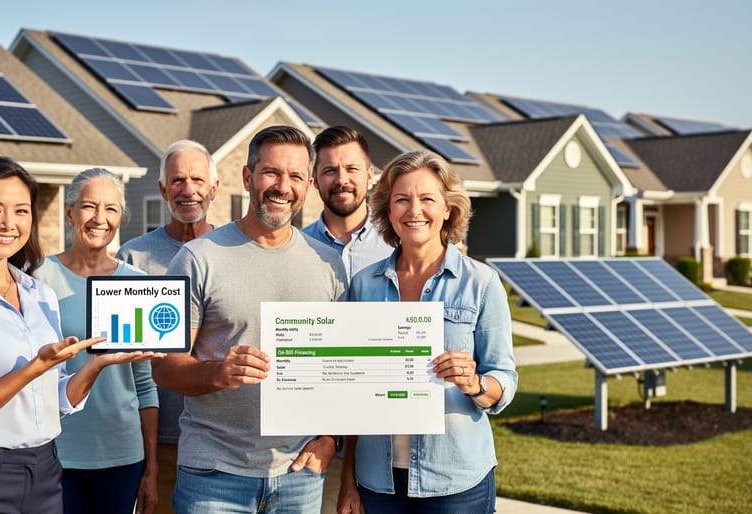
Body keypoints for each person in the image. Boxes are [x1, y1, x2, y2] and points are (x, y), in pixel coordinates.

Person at [0, 157, 160, 514]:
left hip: (44, 472)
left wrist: (97, 364)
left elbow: (55, 400)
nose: (9, 223)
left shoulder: (37, 293)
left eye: (21, 211)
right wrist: (35, 366)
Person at [153, 125, 348, 513]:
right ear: (248, 176)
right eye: (271, 173)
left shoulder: (329, 264)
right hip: (214, 474)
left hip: (299, 476)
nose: (282, 186)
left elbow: (340, 370)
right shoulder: (196, 258)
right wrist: (216, 373)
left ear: (308, 184)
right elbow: (165, 368)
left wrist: (330, 438)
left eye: (295, 177)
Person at [337, 150, 518, 514]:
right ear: (388, 210)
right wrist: (347, 480)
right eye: (401, 199)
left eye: (427, 199)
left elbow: (505, 378)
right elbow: (350, 394)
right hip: (379, 482)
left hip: (456, 482)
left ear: (449, 208)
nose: (414, 210)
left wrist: (475, 384)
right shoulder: (363, 285)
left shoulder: (481, 283)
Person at [33, 168, 161, 514]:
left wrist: (151, 468)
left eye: (111, 209)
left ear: (121, 217)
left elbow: (145, 386)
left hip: (123, 456)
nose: (99, 219)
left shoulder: (135, 282)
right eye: (89, 206)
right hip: (55, 455)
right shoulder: (37, 279)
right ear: (69, 212)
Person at [117, 139, 219, 514]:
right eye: (177, 180)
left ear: (214, 188)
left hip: (219, 439)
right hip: (156, 440)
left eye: (197, 179)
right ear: (162, 189)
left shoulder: (235, 251)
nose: (188, 190)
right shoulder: (133, 258)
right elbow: (127, 364)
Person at [303, 125, 392, 280]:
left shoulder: (398, 243)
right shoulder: (299, 247)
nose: (341, 180)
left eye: (351, 169)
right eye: (330, 170)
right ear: (315, 180)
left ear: (370, 176)